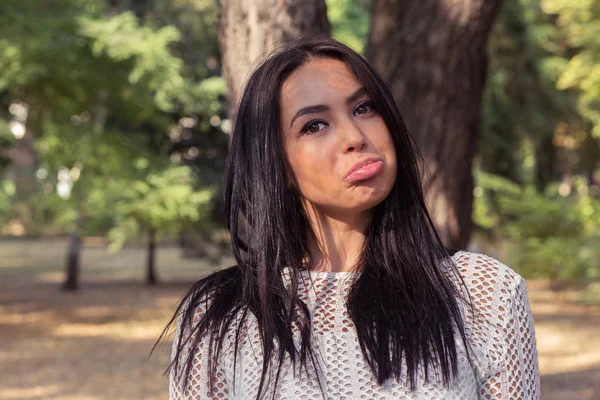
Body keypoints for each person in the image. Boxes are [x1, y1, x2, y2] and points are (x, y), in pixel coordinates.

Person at [163, 36, 540, 399]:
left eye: (364, 108)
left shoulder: (484, 294)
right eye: (314, 125)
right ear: (275, 166)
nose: (354, 136)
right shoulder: (218, 317)